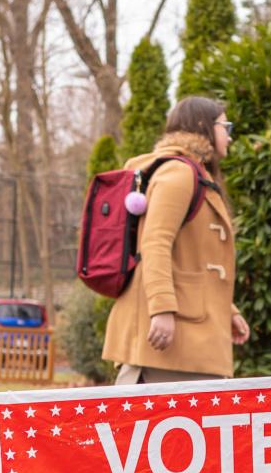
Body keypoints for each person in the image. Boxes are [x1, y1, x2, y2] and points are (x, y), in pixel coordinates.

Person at [102, 96, 251, 383]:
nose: (230, 137)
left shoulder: (194, 173)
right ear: (202, 126)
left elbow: (196, 258)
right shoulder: (180, 173)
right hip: (171, 336)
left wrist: (227, 311)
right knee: (153, 423)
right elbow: (155, 242)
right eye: (225, 127)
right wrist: (161, 310)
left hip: (189, 333)